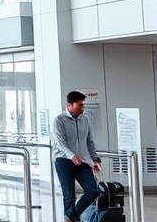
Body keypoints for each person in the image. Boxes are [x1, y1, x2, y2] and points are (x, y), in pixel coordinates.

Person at [53, 91, 102, 222]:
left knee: (93, 190)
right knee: (69, 195)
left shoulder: (84, 120)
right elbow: (60, 143)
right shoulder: (59, 120)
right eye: (79, 105)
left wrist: (94, 159)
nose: (82, 108)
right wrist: (72, 156)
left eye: (83, 105)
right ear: (69, 104)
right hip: (64, 161)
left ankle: (71, 216)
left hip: (82, 161)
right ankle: (72, 218)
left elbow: (89, 141)